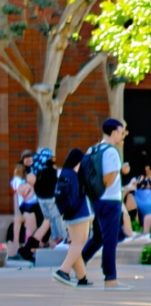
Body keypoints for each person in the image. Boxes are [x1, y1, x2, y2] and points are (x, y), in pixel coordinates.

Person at [81, 118, 133, 291]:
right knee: (110, 240)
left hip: (96, 200)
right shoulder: (111, 152)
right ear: (113, 132)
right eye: (121, 131)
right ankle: (110, 279)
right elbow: (108, 179)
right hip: (110, 201)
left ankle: (78, 264)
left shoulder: (93, 149)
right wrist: (120, 170)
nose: (122, 134)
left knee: (97, 237)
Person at [52, 149, 93, 287]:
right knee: (78, 244)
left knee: (76, 244)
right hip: (79, 213)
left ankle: (82, 277)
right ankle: (63, 270)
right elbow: (77, 196)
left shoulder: (64, 173)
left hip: (70, 214)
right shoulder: (74, 176)